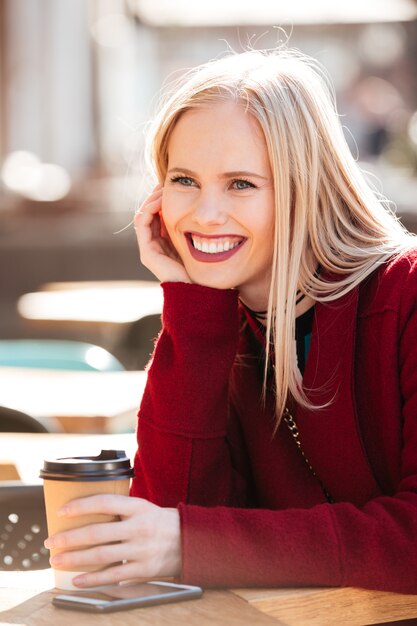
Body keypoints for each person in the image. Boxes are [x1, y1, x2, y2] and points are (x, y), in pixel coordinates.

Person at [44, 47, 417, 594]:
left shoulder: (405, 295)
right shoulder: (219, 317)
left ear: (307, 185)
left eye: (240, 183)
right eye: (184, 180)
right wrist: (191, 312)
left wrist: (188, 542)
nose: (205, 214)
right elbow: (172, 516)